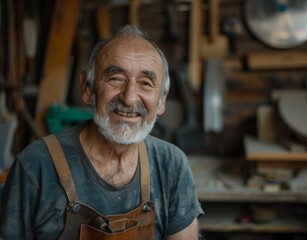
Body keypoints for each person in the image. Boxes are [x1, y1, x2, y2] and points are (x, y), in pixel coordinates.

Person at [0, 25, 203, 240]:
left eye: (145, 83)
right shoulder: (35, 165)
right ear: (88, 89)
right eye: (116, 79)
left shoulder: (171, 164)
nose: (129, 97)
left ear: (161, 101)